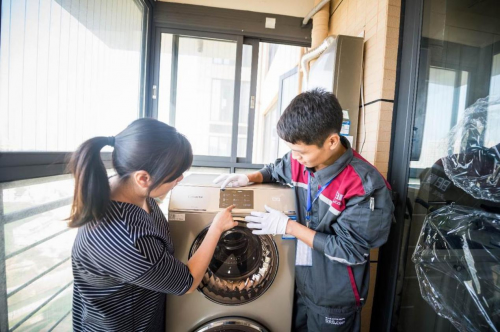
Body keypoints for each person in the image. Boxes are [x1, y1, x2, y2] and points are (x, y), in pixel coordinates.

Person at [214, 88, 394, 331]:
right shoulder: (300, 161)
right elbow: (275, 169)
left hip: (333, 293)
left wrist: (287, 226)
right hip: (299, 282)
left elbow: (349, 251)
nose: (294, 158)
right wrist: (249, 178)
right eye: (292, 150)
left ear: (332, 141)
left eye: (301, 152)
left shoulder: (364, 185)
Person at [68, 118, 237, 332]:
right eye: (174, 176)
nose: (180, 179)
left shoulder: (123, 187)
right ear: (143, 178)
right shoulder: (126, 238)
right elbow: (188, 282)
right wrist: (216, 228)